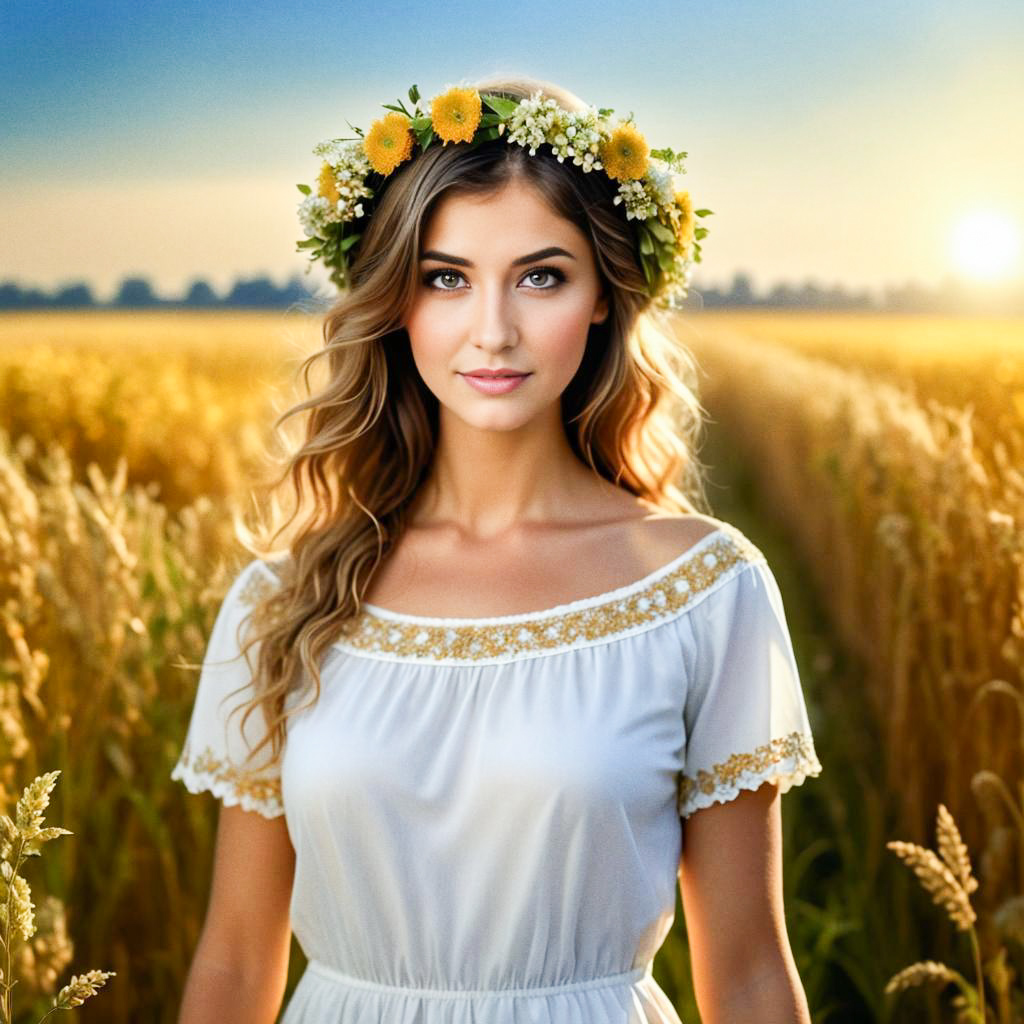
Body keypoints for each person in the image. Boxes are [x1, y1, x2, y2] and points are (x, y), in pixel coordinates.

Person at [171, 73, 823, 1024]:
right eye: (447, 278)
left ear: (604, 296)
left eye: (542, 276)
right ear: (397, 302)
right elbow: (232, 963)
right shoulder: (284, 597)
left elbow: (752, 971)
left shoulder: (702, 587)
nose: (492, 331)